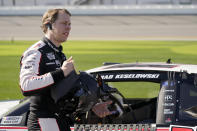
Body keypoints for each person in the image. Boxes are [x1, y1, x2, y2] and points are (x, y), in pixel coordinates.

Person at [19, 8, 112, 131]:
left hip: (60, 120)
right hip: (44, 122)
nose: (68, 28)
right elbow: (26, 86)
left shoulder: (59, 53)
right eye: (63, 23)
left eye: (69, 24)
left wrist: (91, 106)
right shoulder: (36, 52)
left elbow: (65, 92)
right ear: (49, 25)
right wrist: (61, 72)